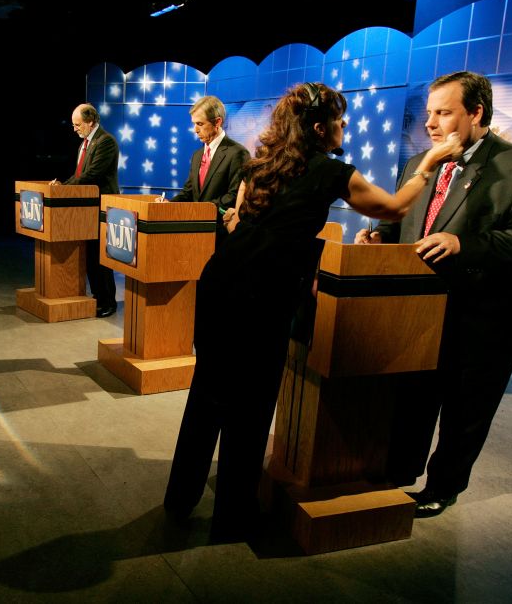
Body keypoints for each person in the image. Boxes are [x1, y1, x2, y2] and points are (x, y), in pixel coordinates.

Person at [163, 82, 464, 542]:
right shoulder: (330, 172)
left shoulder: (258, 165)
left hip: (220, 286)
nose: (346, 126)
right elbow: (393, 208)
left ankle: (179, 501)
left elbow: (239, 220)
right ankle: (233, 518)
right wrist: (428, 163)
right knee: (250, 409)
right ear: (321, 128)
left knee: (207, 396)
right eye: (341, 120)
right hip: (259, 300)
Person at [354, 71, 512, 518]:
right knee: (412, 399)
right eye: (429, 112)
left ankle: (443, 486)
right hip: (421, 312)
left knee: (465, 412)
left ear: (476, 113)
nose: (430, 123)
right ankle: (398, 472)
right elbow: (404, 225)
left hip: (488, 316)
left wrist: (464, 245)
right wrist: (379, 240)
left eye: (443, 113)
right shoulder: (419, 164)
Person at [51, 103, 119, 318]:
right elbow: (79, 174)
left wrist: (65, 188)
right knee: (90, 256)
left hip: (100, 207)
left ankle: (108, 301)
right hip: (86, 208)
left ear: (90, 122)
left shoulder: (105, 141)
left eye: (78, 124)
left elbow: (92, 175)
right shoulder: (85, 143)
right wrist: (62, 187)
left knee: (100, 256)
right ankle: (98, 297)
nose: (75, 129)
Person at [171, 96, 250, 244]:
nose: (195, 130)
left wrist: (201, 211)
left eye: (200, 124)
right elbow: (189, 192)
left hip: (220, 236)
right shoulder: (197, 155)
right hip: (194, 234)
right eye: (194, 124)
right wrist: (167, 206)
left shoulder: (238, 153)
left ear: (217, 122)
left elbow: (234, 196)